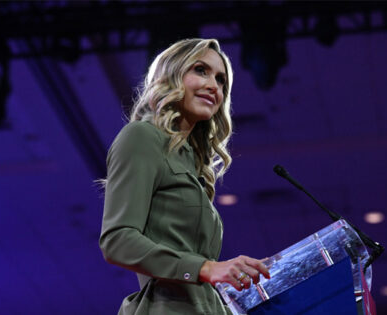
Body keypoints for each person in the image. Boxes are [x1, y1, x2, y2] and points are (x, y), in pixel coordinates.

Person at [99, 38, 270, 315]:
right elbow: (117, 241)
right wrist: (206, 268)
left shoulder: (192, 162)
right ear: (171, 75)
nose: (214, 85)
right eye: (200, 70)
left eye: (221, 80)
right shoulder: (142, 137)